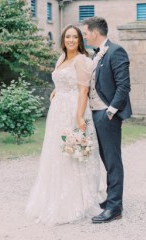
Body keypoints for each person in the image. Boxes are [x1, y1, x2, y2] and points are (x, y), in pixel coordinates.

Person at [25, 25, 104, 225]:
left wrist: (79, 117)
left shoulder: (81, 60)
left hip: (72, 110)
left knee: (72, 152)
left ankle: (79, 201)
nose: (70, 40)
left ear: (79, 40)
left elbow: (83, 90)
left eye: (74, 37)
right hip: (57, 111)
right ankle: (55, 197)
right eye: (67, 36)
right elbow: (61, 80)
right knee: (56, 153)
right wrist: (56, 90)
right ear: (63, 39)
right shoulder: (61, 59)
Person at [82, 16, 132, 224]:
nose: (84, 37)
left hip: (106, 114)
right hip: (95, 113)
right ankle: (111, 200)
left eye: (85, 33)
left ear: (94, 32)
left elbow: (123, 86)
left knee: (112, 161)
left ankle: (114, 207)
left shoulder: (115, 51)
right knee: (105, 158)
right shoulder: (97, 54)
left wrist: (110, 111)